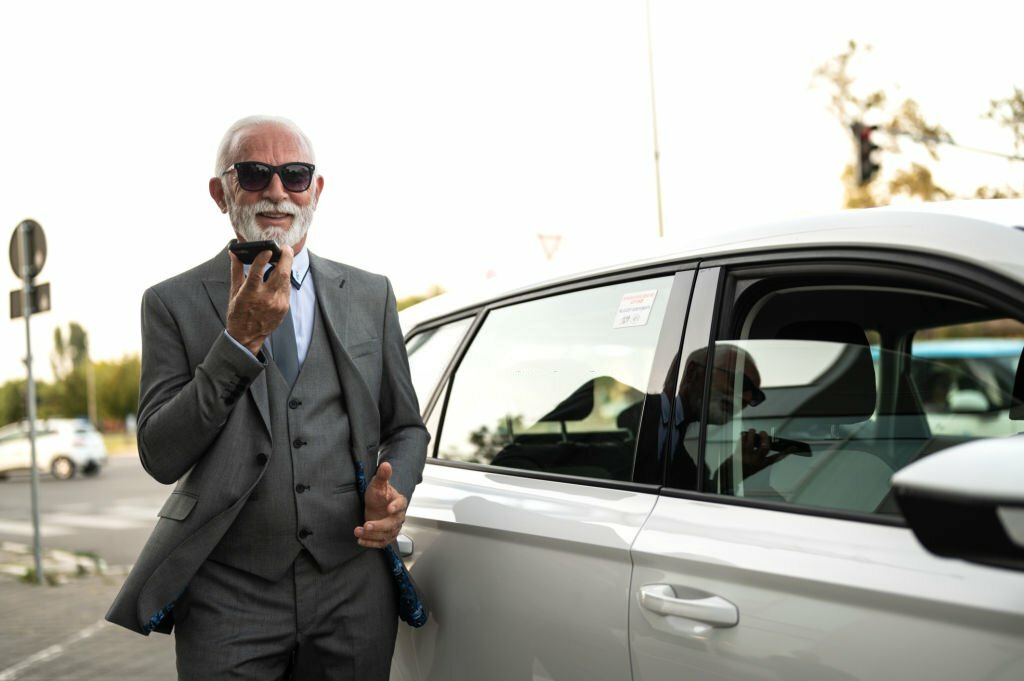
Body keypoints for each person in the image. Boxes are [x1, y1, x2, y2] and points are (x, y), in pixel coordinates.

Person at [106, 115, 428, 681]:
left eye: (295, 175)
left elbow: (406, 427)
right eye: (254, 174)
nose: (277, 191)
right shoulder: (170, 302)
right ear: (220, 191)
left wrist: (393, 490)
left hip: (351, 588)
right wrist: (239, 340)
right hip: (227, 594)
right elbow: (160, 453)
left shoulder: (370, 294)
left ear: (316, 190)